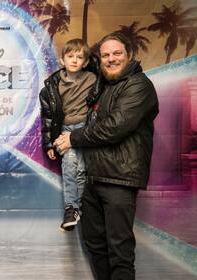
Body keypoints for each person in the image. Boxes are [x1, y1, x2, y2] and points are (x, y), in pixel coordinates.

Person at [55, 32, 159, 279]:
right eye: (105, 55)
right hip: (94, 179)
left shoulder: (138, 85)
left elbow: (115, 126)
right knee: (95, 246)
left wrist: (73, 137)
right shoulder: (103, 85)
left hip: (119, 180)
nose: (111, 59)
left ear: (129, 55)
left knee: (119, 252)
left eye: (117, 53)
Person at [39, 38, 102, 231]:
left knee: (80, 167)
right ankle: (74, 208)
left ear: (86, 62)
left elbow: (102, 74)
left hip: (85, 128)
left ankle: (73, 208)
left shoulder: (93, 79)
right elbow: (48, 117)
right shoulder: (52, 86)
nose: (75, 60)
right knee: (71, 164)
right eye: (70, 56)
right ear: (62, 60)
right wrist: (49, 143)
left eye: (80, 57)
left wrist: (94, 61)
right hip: (65, 130)